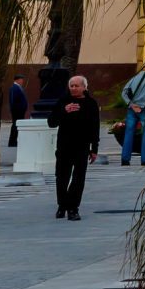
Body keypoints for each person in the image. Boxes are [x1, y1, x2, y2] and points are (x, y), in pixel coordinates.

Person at [48, 74, 103, 220]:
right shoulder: (63, 101)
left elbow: (94, 127)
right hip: (64, 146)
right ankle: (62, 205)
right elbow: (51, 122)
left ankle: (73, 208)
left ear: (84, 87)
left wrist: (94, 149)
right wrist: (64, 111)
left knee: (78, 179)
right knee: (61, 177)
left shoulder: (91, 103)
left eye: (76, 85)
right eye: (71, 85)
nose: (73, 88)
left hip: (82, 147)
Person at [120, 67, 145, 166]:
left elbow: (124, 92)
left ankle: (125, 159)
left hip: (133, 108)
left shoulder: (135, 78)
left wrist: (131, 104)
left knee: (128, 133)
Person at [6, 77, 28, 149]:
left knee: (17, 126)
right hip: (17, 111)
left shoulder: (18, 87)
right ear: (17, 80)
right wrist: (14, 110)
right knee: (15, 125)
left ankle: (15, 141)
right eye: (21, 80)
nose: (22, 81)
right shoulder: (14, 88)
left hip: (20, 111)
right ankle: (12, 142)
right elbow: (12, 101)